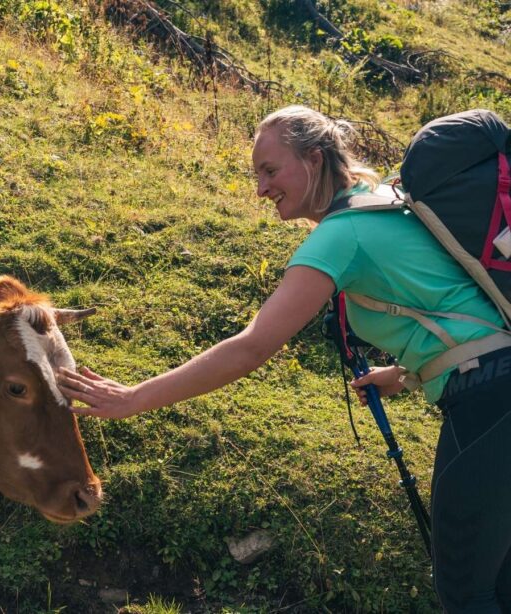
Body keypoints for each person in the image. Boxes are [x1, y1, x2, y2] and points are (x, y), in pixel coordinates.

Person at [57, 104, 511, 612]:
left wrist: (133, 398)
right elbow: (453, 303)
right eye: (257, 175)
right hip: (494, 388)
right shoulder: (384, 202)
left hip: (488, 404)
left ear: (314, 160)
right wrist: (404, 374)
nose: (261, 189)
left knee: (466, 591)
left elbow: (253, 345)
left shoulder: (342, 234)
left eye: (270, 171)